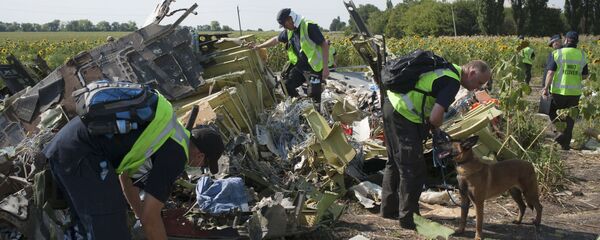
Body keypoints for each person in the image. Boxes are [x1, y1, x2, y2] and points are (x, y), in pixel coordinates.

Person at [43, 92, 225, 239]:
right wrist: (147, 221)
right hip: (83, 153)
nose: (199, 167)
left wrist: (140, 216)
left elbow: (126, 179)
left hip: (69, 144)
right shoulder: (177, 155)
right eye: (204, 164)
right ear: (200, 155)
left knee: (92, 225)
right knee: (111, 230)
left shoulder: (169, 134)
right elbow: (151, 217)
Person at [380, 59, 491, 229]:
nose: (478, 88)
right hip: (403, 114)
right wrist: (436, 130)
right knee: (413, 169)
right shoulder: (452, 81)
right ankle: (409, 219)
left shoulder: (446, 67)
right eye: (479, 82)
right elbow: (435, 117)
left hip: (391, 105)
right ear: (472, 73)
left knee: (394, 161)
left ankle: (388, 209)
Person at [251, 8, 333, 103]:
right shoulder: (290, 30)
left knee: (314, 96)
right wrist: (259, 46)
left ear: (290, 19)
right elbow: (276, 40)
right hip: (301, 67)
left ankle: (316, 113)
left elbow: (324, 44)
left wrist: (326, 68)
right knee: (287, 85)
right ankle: (300, 105)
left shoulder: (308, 26)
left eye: (284, 25)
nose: (285, 28)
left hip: (315, 68)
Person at [542, 31, 589, 150]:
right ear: (577, 42)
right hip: (575, 93)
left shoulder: (558, 53)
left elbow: (550, 72)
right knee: (571, 117)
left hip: (558, 92)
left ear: (567, 40)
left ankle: (559, 134)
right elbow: (584, 76)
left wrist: (545, 88)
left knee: (552, 112)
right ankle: (566, 143)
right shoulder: (582, 55)